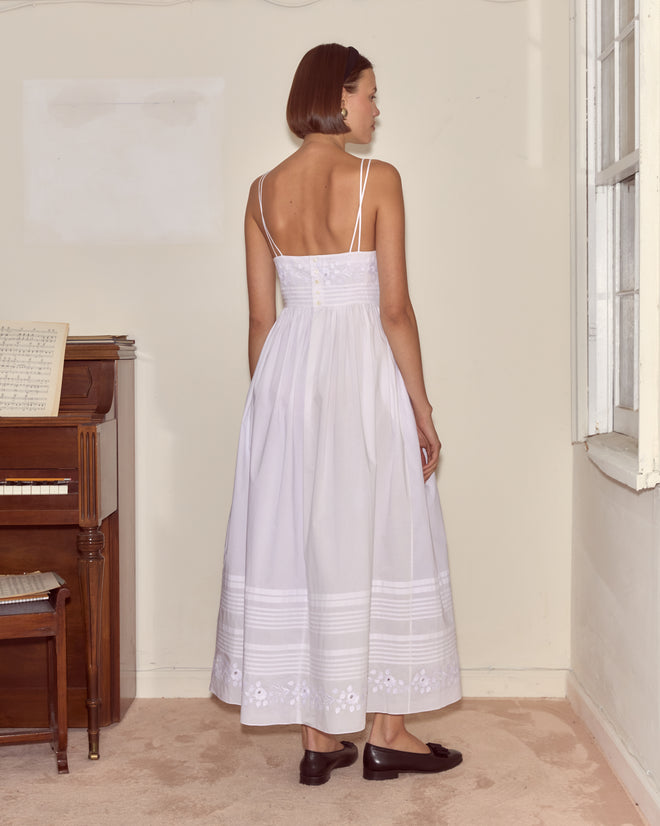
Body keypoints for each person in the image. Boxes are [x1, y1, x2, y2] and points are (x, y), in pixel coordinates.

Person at [210, 43, 462, 785]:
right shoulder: (377, 179)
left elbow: (261, 319)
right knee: (381, 531)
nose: (377, 110)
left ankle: (320, 738)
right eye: (370, 94)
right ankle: (387, 734)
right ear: (338, 96)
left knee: (303, 539)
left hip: (287, 376)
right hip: (360, 373)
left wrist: (272, 409)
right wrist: (421, 407)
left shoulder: (261, 191)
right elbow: (394, 308)